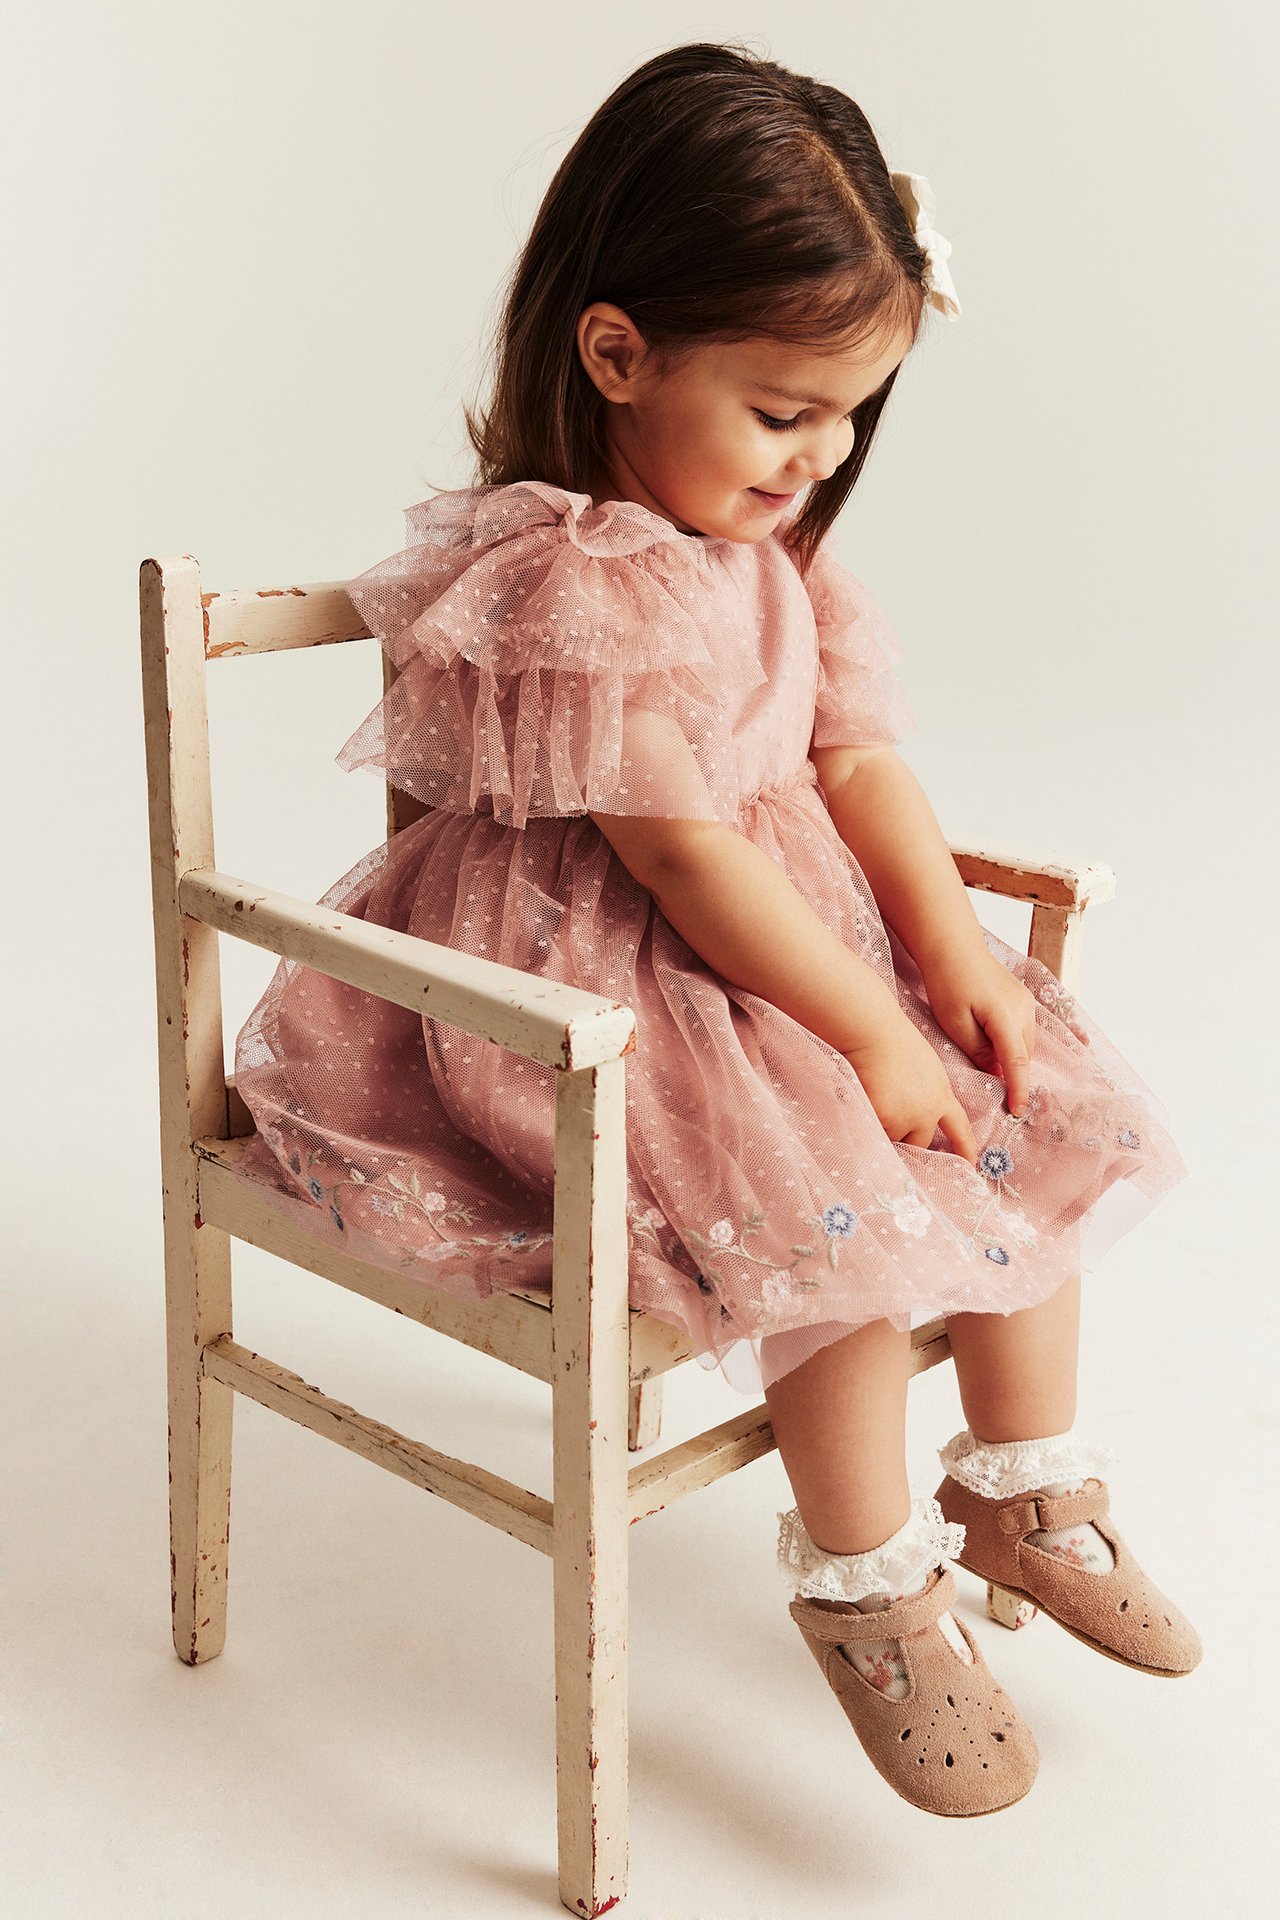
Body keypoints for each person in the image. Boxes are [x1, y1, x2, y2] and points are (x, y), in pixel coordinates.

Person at [231, 40, 1201, 1817]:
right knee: (824, 1187)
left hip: (780, 953)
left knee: (1017, 1105)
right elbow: (684, 862)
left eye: (847, 419)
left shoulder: (784, 561)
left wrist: (952, 962)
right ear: (616, 353)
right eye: (779, 411)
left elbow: (857, 760)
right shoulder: (573, 574)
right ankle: (873, 1588)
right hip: (600, 985)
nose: (817, 458)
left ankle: (1026, 1477)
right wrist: (870, 1029)